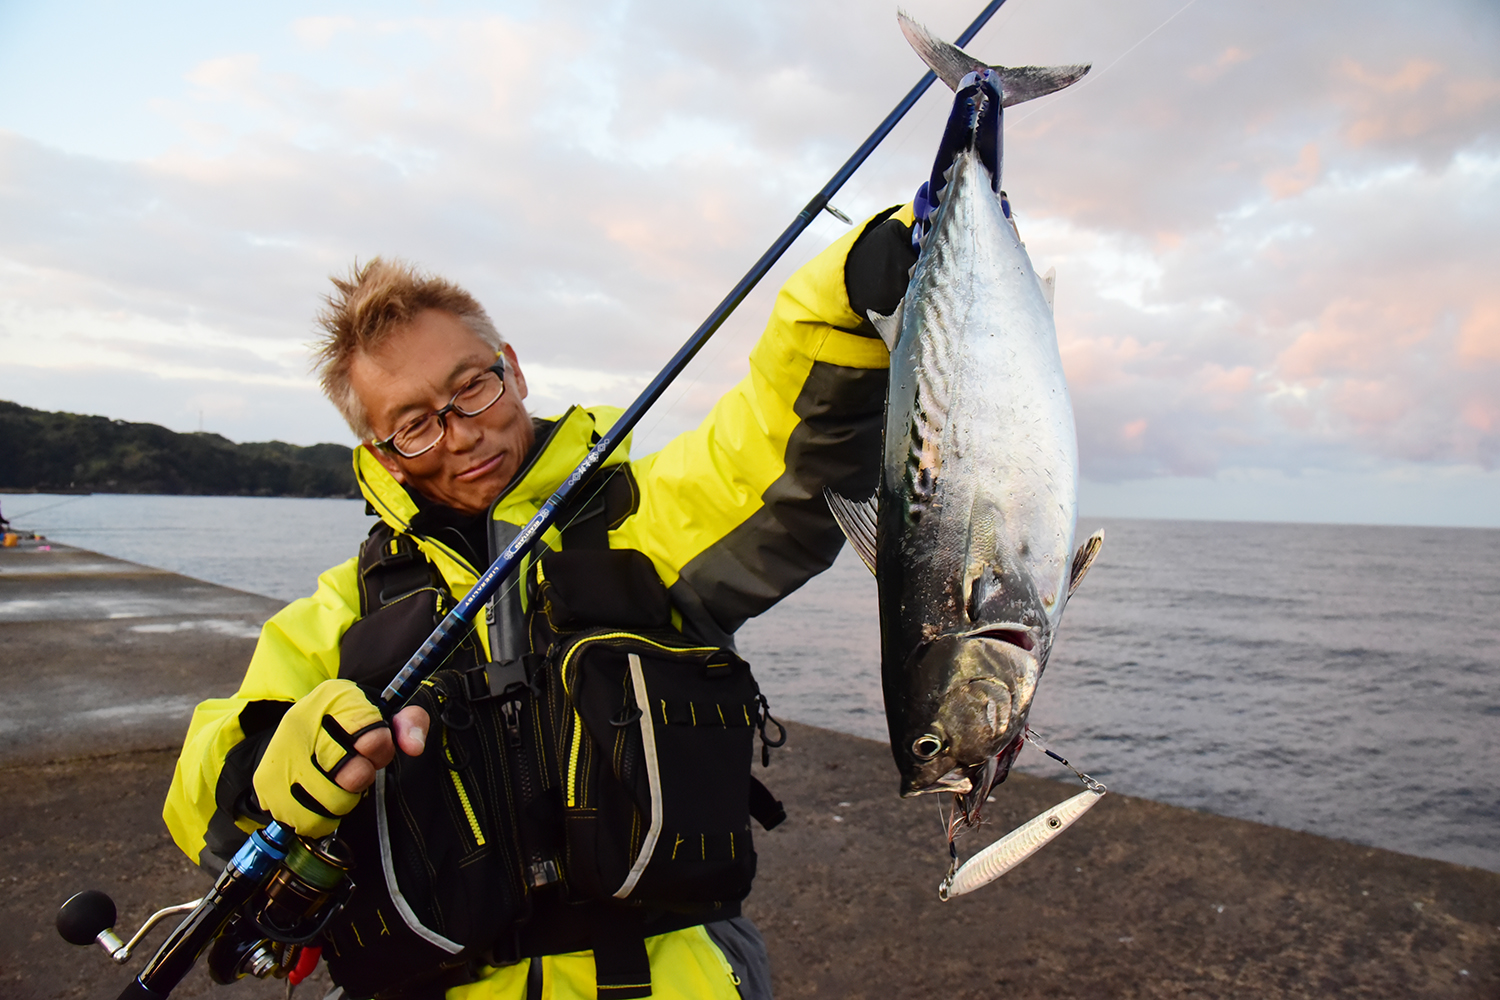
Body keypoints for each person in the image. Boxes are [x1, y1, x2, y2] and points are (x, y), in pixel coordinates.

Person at [161, 188, 922, 998]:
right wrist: (268, 765)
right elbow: (200, 793)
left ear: (513, 371)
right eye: (415, 423)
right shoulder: (347, 610)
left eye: (473, 390)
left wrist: (838, 303)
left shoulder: (640, 521)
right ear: (383, 455)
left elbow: (775, 452)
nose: (461, 434)